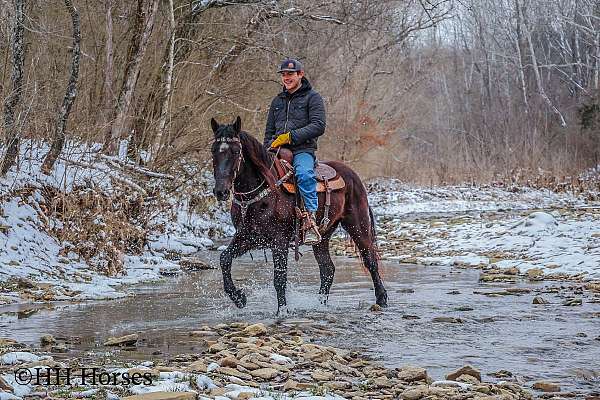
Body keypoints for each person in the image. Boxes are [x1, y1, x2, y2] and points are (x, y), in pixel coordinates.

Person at [264, 58, 326, 245]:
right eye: (283, 75)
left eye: (290, 74)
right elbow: (268, 132)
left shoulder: (313, 98)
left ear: (300, 74)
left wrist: (289, 137)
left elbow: (318, 125)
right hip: (276, 150)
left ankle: (310, 218)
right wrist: (268, 146)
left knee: (304, 174)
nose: (286, 78)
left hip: (302, 149)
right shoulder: (277, 101)